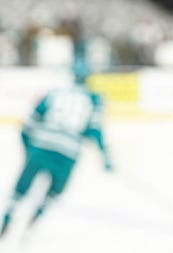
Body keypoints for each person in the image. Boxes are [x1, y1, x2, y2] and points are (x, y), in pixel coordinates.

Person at [1, 62, 112, 237]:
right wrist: (106, 157)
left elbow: (30, 123)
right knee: (54, 191)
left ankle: (7, 219)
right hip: (67, 153)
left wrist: (28, 148)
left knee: (21, 188)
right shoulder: (93, 99)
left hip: (41, 146)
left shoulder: (54, 93)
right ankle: (36, 218)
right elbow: (95, 131)